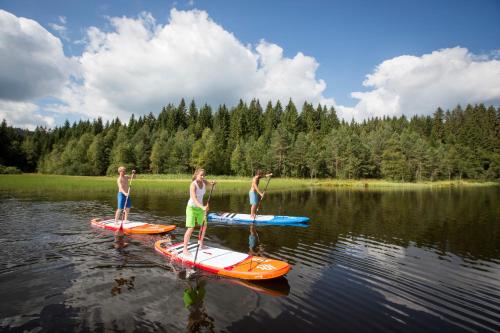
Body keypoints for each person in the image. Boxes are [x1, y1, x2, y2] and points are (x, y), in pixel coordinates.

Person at [182, 168, 215, 257]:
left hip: (200, 208)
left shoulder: (203, 181)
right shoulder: (193, 185)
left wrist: (212, 183)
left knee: (204, 225)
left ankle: (200, 244)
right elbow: (194, 198)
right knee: (191, 228)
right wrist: (203, 207)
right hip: (192, 208)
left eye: (204, 175)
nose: (203, 176)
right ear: (196, 175)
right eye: (201, 175)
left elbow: (210, 184)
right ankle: (185, 249)